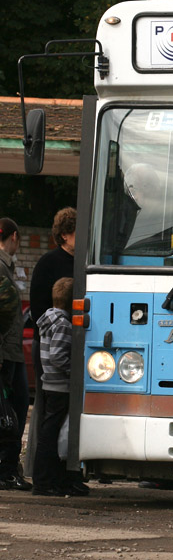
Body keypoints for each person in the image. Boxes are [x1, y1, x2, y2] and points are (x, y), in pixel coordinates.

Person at [25, 207, 76, 475]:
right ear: (65, 235)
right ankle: (45, 471)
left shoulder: (83, 262)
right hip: (54, 345)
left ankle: (67, 471)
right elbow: (38, 309)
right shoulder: (49, 263)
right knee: (50, 413)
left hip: (69, 345)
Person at [32, 277, 87, 496]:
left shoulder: (47, 319)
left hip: (48, 383)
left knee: (49, 432)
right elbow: (57, 355)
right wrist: (74, 373)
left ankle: (48, 479)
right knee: (53, 433)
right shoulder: (64, 325)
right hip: (60, 385)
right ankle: (45, 482)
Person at [0, 218, 30, 491]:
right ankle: (6, 469)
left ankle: (8, 468)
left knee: (13, 408)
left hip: (11, 350)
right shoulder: (3, 266)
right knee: (12, 410)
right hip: (7, 352)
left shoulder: (7, 266)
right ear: (15, 237)